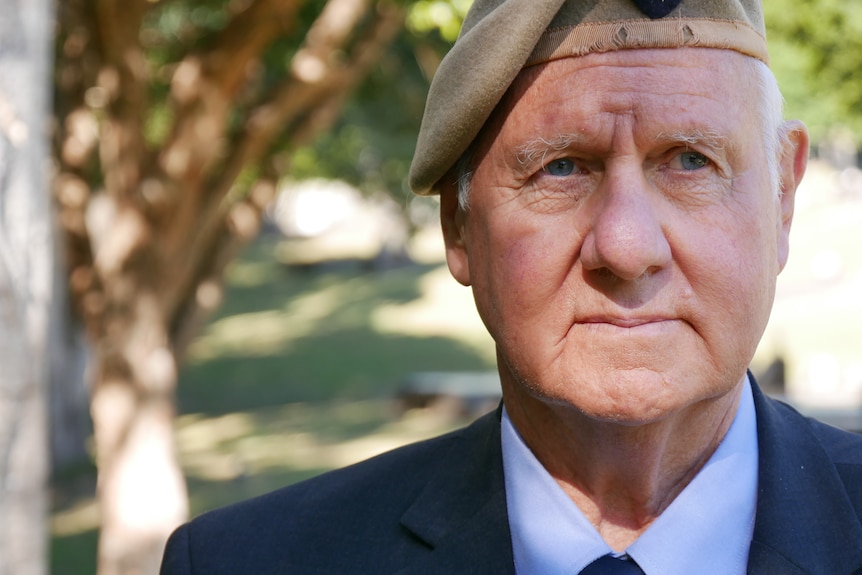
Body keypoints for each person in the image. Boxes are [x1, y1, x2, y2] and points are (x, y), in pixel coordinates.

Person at [160, 0, 862, 573]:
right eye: (561, 168)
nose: (625, 246)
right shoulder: (249, 561)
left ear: (783, 197)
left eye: (689, 160)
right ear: (458, 227)